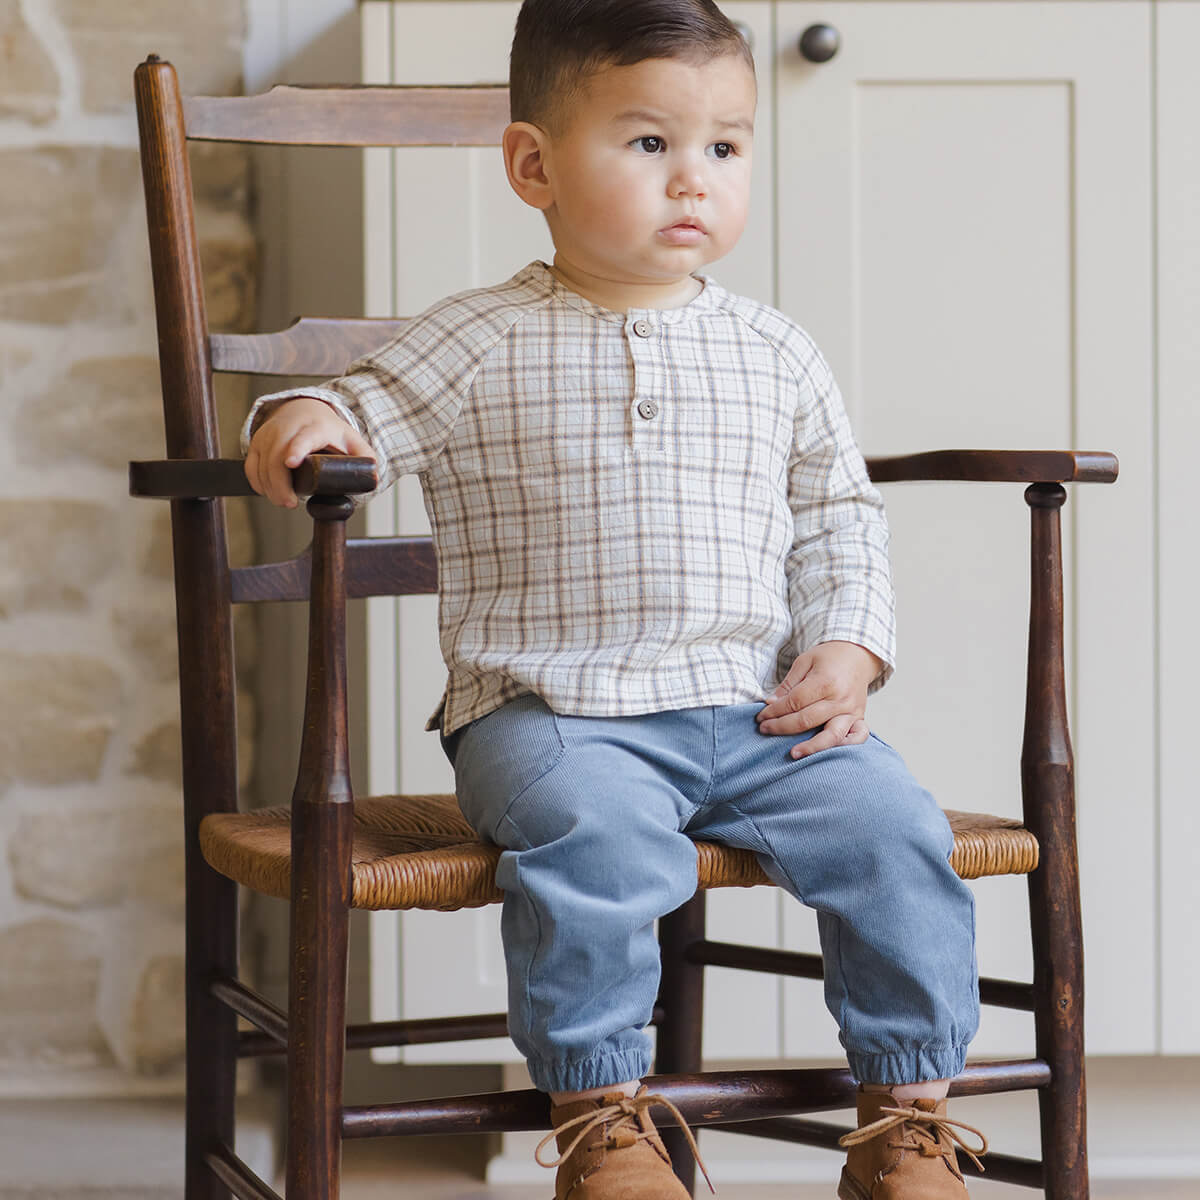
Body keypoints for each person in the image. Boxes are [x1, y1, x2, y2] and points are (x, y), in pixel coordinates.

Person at [242, 1, 988, 1195]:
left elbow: (840, 520)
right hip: (549, 715)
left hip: (755, 713)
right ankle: (602, 1117)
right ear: (533, 166)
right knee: (597, 835)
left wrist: (850, 647)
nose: (695, 178)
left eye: (725, 146)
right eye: (650, 143)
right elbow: (357, 408)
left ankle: (906, 1118)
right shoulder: (478, 338)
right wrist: (301, 417)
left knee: (894, 828)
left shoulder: (777, 352)